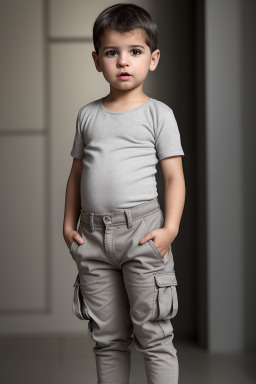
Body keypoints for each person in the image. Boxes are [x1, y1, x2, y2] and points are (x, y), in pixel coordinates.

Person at [63, 3, 186, 384]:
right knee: (108, 339)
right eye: (112, 52)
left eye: (135, 51)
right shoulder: (87, 115)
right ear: (97, 60)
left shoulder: (158, 115)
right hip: (93, 237)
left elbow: (174, 179)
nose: (123, 62)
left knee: (154, 334)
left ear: (153, 59)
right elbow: (76, 175)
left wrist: (170, 230)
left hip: (143, 233)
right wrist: (68, 225)